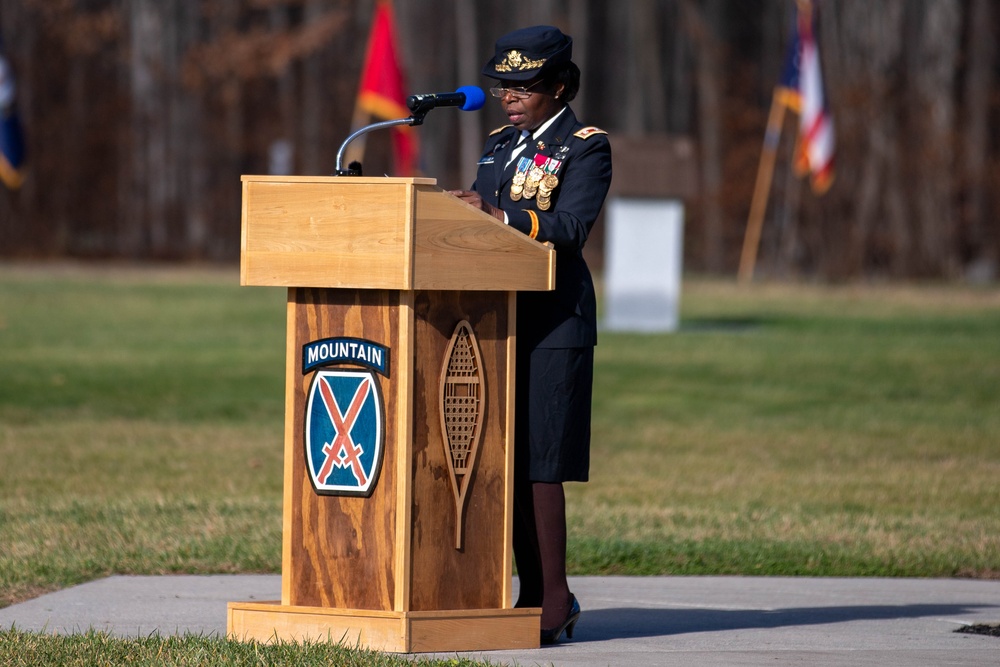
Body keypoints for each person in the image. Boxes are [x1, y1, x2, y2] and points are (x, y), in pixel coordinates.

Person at [448, 25, 612, 644]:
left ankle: (553, 595)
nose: (511, 96)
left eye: (525, 86)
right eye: (504, 86)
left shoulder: (585, 147)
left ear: (560, 86)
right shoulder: (498, 146)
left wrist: (497, 215)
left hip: (554, 322)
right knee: (503, 463)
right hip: (495, 322)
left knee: (542, 464)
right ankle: (522, 589)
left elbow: (570, 226)